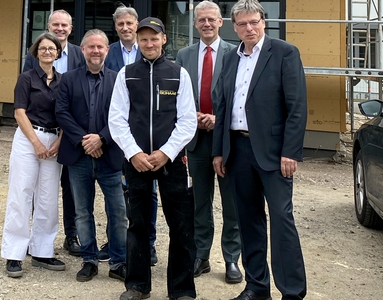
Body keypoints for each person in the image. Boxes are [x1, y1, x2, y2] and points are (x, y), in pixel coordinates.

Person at [212, 1, 307, 299]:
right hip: (238, 149)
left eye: (254, 22)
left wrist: (290, 152)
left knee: (281, 219)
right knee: (248, 219)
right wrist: (219, 151)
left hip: (275, 153)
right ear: (234, 27)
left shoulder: (284, 53)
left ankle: (291, 291)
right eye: (242, 24)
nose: (249, 28)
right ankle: (256, 286)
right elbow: (223, 106)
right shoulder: (230, 58)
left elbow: (297, 106)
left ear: (264, 22)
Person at [109, 17, 197, 300]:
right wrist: (133, 152)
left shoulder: (178, 74)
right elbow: (117, 119)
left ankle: (182, 290)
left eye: (154, 38)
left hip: (171, 161)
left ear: (164, 40)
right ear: (137, 40)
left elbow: (186, 122)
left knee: (181, 225)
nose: (149, 43)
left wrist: (166, 153)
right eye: (143, 38)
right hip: (136, 162)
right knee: (137, 225)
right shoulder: (126, 74)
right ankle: (137, 286)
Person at [175, 0, 242, 284]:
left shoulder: (235, 54)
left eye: (211, 19)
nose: (206, 24)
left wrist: (218, 118)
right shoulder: (183, 55)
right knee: (199, 202)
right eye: (201, 19)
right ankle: (201, 256)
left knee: (232, 203)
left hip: (227, 140)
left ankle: (231, 259)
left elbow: (240, 96)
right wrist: (193, 118)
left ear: (220, 22)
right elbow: (175, 95)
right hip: (195, 141)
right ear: (195, 23)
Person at [55, 29, 127, 283]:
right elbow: (62, 112)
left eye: (101, 47)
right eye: (91, 47)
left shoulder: (119, 79)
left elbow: (122, 116)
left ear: (108, 50)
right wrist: (85, 141)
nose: (96, 51)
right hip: (79, 157)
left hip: (110, 156)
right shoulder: (68, 79)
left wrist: (102, 139)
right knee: (83, 211)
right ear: (82, 50)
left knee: (118, 211)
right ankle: (89, 259)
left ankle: (118, 261)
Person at [1, 32, 65, 278]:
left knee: (48, 197)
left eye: (52, 48)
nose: (47, 52)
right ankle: (14, 254)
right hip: (29, 139)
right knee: (21, 194)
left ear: (58, 53)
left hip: (54, 141)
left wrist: (60, 141)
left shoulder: (63, 81)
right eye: (43, 48)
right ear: (36, 52)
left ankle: (42, 250)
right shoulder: (26, 78)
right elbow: (19, 113)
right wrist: (36, 143)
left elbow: (66, 114)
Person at [23, 9, 85, 257]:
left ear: (71, 29)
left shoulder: (79, 54)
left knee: (71, 186)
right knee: (38, 187)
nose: (60, 29)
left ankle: (72, 236)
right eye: (55, 24)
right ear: (48, 26)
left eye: (64, 25)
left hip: (69, 132)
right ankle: (33, 239)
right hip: (42, 129)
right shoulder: (34, 52)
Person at [103, 4, 159, 267]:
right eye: (120, 24)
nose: (125, 28)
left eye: (129, 23)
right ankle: (114, 241)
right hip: (116, 132)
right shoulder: (108, 52)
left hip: (146, 134)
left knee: (149, 192)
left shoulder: (149, 50)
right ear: (115, 27)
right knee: (116, 190)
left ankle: (148, 243)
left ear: (137, 26)